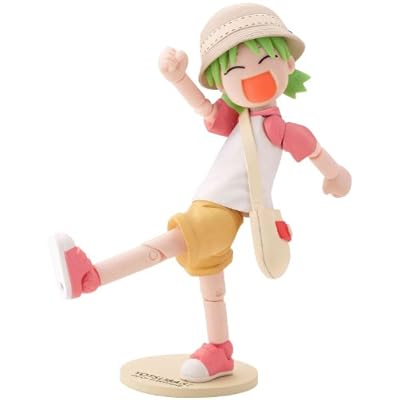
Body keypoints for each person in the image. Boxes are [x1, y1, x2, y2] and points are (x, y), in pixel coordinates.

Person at [50, 3, 351, 383]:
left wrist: (336, 177)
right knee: (211, 287)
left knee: (169, 244)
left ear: (288, 64)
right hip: (209, 205)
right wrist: (179, 79)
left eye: (266, 61)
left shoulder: (281, 129)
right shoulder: (239, 119)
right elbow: (205, 109)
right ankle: (219, 350)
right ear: (222, 82)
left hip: (223, 212)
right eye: (236, 71)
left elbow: (316, 153)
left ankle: (92, 276)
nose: (253, 75)